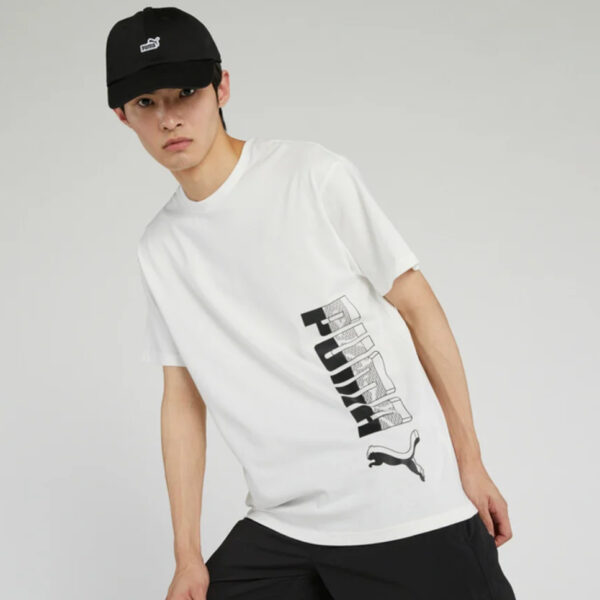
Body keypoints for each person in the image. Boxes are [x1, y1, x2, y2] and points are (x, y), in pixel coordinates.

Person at [106, 7, 517, 600]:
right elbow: (182, 399)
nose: (168, 117)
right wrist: (187, 556)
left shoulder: (309, 175)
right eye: (146, 102)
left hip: (404, 505)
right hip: (285, 524)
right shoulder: (161, 247)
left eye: (186, 93)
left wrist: (469, 462)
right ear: (123, 116)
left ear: (222, 87)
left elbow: (418, 306)